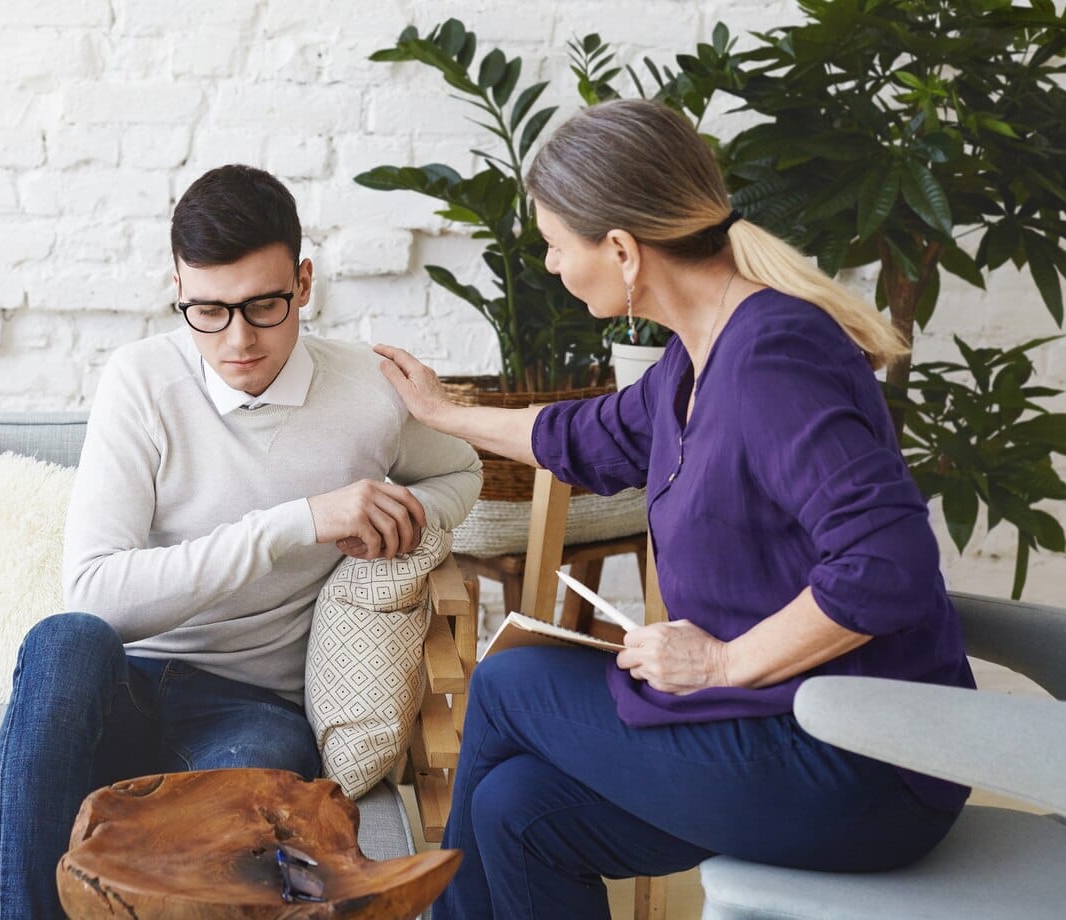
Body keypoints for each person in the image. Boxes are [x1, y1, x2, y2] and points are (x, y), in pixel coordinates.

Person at [375, 99, 975, 919]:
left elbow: (887, 570)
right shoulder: (696, 358)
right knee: (516, 810)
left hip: (862, 763)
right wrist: (445, 412)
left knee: (513, 683)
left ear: (622, 250)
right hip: (776, 731)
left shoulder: (771, 360)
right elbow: (583, 434)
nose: (549, 265)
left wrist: (722, 664)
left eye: (555, 245)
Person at [0, 164, 483, 919]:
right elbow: (95, 595)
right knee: (64, 639)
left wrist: (401, 510)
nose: (238, 339)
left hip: (251, 709)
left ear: (304, 283)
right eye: (207, 311)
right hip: (124, 684)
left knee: (242, 842)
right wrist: (297, 521)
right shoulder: (141, 381)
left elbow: (464, 471)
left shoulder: (369, 390)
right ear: (179, 291)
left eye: (264, 306)